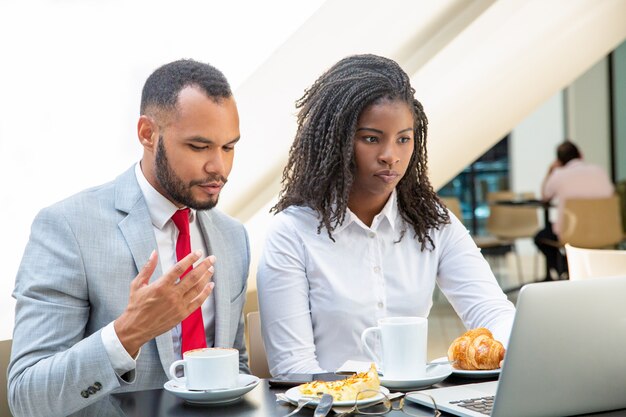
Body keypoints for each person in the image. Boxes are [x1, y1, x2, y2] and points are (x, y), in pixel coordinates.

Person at [8, 59, 250, 417]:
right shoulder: (68, 228)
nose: (219, 167)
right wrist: (127, 334)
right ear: (147, 134)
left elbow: (238, 370)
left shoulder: (233, 237)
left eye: (228, 147)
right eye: (199, 147)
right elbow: (27, 398)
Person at [256, 54, 515, 377]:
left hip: (415, 403)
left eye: (403, 139)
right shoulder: (292, 232)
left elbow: (493, 312)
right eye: (371, 139)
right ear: (337, 141)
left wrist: (512, 349)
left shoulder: (431, 221)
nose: (390, 156)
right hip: (332, 406)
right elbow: (293, 369)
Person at [534, 140, 614, 280]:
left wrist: (550, 171)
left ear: (559, 161)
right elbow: (611, 195)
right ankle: (577, 269)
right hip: (603, 231)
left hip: (572, 233)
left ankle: (566, 270)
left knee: (541, 237)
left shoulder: (558, 175)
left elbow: (545, 197)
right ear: (581, 155)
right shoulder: (599, 171)